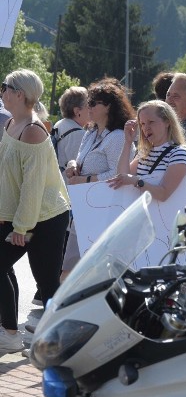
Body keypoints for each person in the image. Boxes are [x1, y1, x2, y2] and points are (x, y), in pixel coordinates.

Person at [0, 70, 71, 356]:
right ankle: (10, 334)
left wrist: (22, 228)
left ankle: (61, 344)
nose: (1, 91)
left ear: (20, 94)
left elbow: (33, 186)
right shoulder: (11, 124)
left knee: (48, 283)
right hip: (22, 216)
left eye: (4, 87)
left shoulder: (32, 130)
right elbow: (7, 175)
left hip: (46, 217)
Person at [61, 79, 135, 281]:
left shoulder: (118, 137)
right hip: (84, 209)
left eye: (93, 103)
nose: (88, 107)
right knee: (69, 271)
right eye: (88, 103)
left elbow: (118, 174)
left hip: (105, 213)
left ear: (109, 106)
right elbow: (80, 158)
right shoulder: (91, 131)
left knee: (92, 275)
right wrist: (72, 165)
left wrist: (86, 180)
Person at [107, 100, 186, 201]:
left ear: (167, 122)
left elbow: (163, 194)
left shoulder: (179, 153)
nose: (146, 128)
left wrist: (136, 181)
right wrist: (128, 142)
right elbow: (121, 177)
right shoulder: (144, 153)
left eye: (151, 122)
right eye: (142, 124)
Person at [52, 86, 87, 173]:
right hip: (68, 185)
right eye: (88, 106)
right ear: (77, 111)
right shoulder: (78, 134)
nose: (91, 110)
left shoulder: (59, 124)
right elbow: (80, 169)